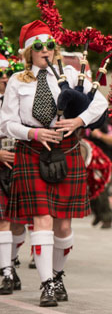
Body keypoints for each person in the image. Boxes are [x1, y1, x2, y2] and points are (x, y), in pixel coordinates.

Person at [0, 21, 108, 306]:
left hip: (66, 149)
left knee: (63, 226)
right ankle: (47, 283)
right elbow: (6, 122)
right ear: (28, 53)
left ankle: (58, 274)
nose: (45, 50)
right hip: (32, 150)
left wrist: (79, 120)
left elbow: (100, 104)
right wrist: (32, 132)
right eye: (38, 46)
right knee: (41, 219)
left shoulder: (71, 75)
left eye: (49, 45)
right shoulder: (16, 81)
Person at [1, 53, 27, 295]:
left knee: (18, 224)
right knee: (4, 221)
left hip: (22, 164)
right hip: (0, 165)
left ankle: (11, 262)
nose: (4, 78)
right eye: (1, 75)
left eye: (7, 74)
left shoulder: (20, 97)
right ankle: (6, 271)